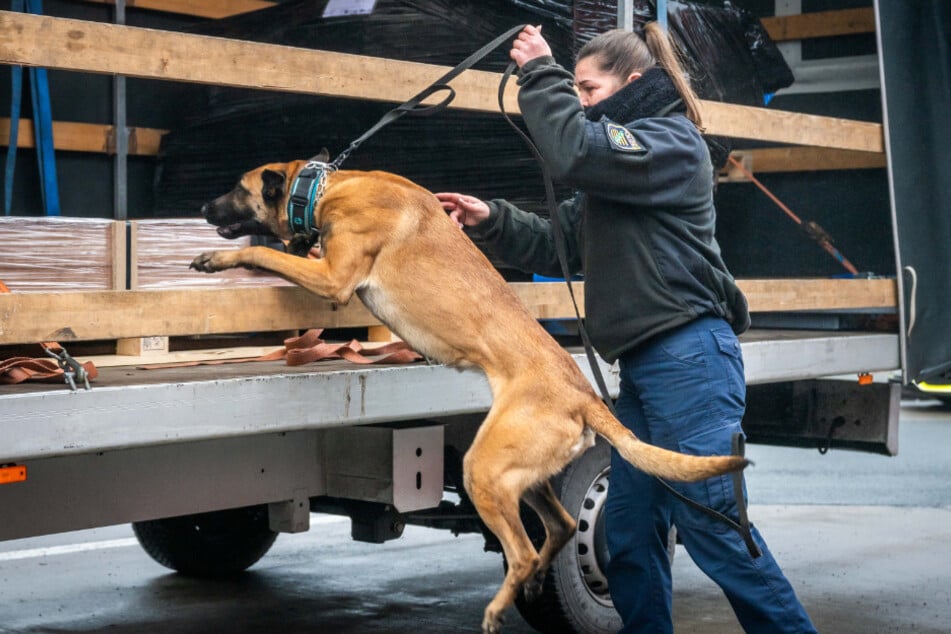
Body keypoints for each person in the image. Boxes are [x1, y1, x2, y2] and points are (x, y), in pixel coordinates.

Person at [436, 24, 817, 633]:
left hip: (690, 360)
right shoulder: (619, 170)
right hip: (644, 370)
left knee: (713, 527)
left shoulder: (669, 145)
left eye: (589, 88)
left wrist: (541, 71)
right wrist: (490, 219)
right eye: (578, 90)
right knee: (632, 535)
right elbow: (556, 240)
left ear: (632, 84)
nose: (581, 100)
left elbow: (576, 151)